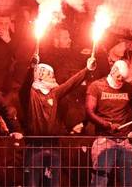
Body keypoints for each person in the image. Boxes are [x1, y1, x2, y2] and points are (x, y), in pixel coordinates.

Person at [19, 55, 96, 186]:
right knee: (32, 183)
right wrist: (31, 68)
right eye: (50, 74)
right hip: (34, 146)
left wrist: (87, 70)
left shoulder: (54, 93)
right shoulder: (30, 94)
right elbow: (25, 87)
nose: (53, 77)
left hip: (53, 146)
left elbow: (70, 84)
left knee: (53, 183)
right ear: (40, 75)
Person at [85, 60, 132, 187]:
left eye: (123, 78)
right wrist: (108, 125)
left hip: (125, 141)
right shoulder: (96, 86)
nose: (121, 80)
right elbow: (89, 112)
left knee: (130, 181)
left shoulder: (128, 88)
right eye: (118, 76)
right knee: (100, 181)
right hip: (104, 140)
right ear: (113, 70)